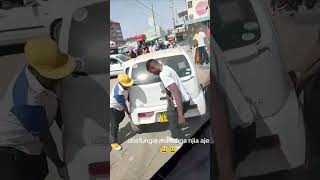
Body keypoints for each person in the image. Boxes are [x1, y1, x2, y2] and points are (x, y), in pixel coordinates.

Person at [0, 38, 75, 180]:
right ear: (34, 71)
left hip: (30, 144)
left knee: (41, 171)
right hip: (11, 152)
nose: (59, 78)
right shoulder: (26, 102)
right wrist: (60, 165)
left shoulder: (37, 67)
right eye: (54, 75)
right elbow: (46, 139)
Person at [146, 59, 190, 140]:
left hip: (181, 103)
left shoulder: (163, 74)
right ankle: (175, 136)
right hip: (183, 101)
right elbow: (170, 87)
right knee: (172, 119)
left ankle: (179, 140)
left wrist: (181, 116)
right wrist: (168, 97)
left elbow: (176, 93)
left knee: (174, 123)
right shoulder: (166, 68)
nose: (153, 74)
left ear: (153, 67)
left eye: (152, 72)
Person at [110, 73, 134, 151]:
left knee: (121, 117)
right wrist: (129, 114)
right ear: (122, 83)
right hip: (113, 108)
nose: (128, 85)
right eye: (127, 84)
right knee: (115, 124)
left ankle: (112, 127)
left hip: (119, 107)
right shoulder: (118, 93)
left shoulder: (123, 85)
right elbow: (124, 105)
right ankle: (113, 142)